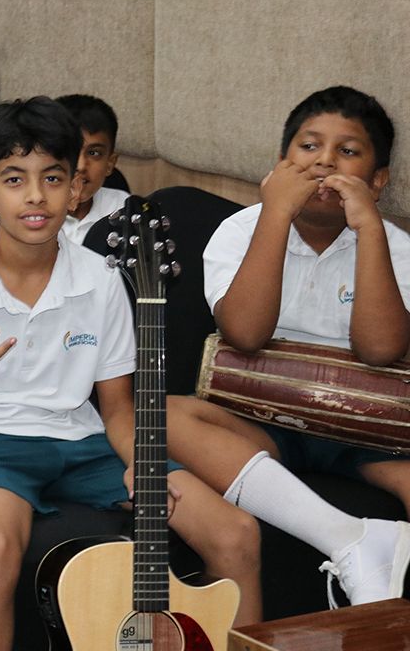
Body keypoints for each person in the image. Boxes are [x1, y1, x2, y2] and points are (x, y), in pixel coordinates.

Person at [0, 97, 262, 649]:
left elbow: (116, 409)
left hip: (80, 441)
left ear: (75, 190)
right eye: (14, 179)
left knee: (235, 532)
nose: (35, 195)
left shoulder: (101, 278)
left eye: (52, 178)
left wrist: (141, 467)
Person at [168, 85, 410, 607]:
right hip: (264, 421)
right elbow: (246, 334)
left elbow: (380, 350)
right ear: (280, 165)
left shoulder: (394, 245)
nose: (325, 161)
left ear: (377, 180)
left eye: (348, 151)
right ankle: (347, 538)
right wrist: (275, 214)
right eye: (309, 146)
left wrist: (369, 229)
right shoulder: (239, 231)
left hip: (364, 434)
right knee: (165, 416)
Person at [56, 94, 129, 244]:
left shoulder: (122, 208)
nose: (81, 166)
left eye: (94, 153)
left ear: (110, 164)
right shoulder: (31, 213)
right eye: (70, 151)